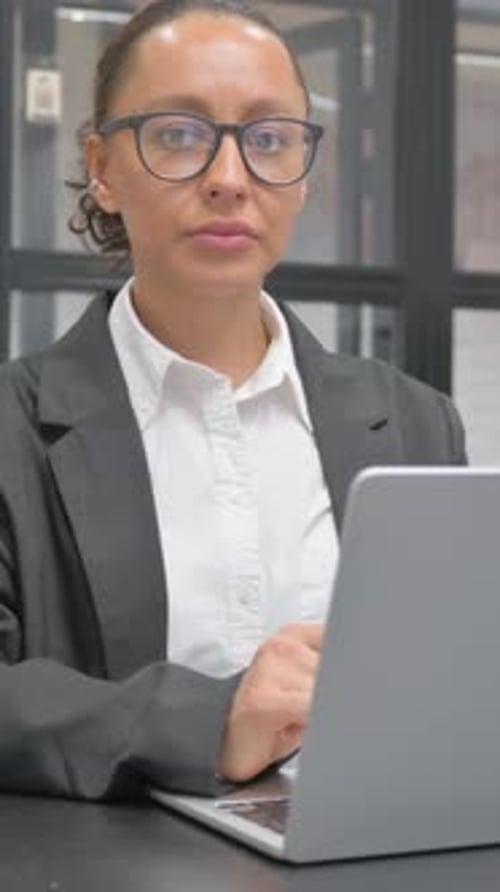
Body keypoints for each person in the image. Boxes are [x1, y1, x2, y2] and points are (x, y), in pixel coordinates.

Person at [0, 0, 466, 801]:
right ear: (103, 169)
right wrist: (210, 721)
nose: (228, 179)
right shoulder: (14, 427)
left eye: (268, 139)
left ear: (304, 174)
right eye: (178, 134)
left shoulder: (418, 421)